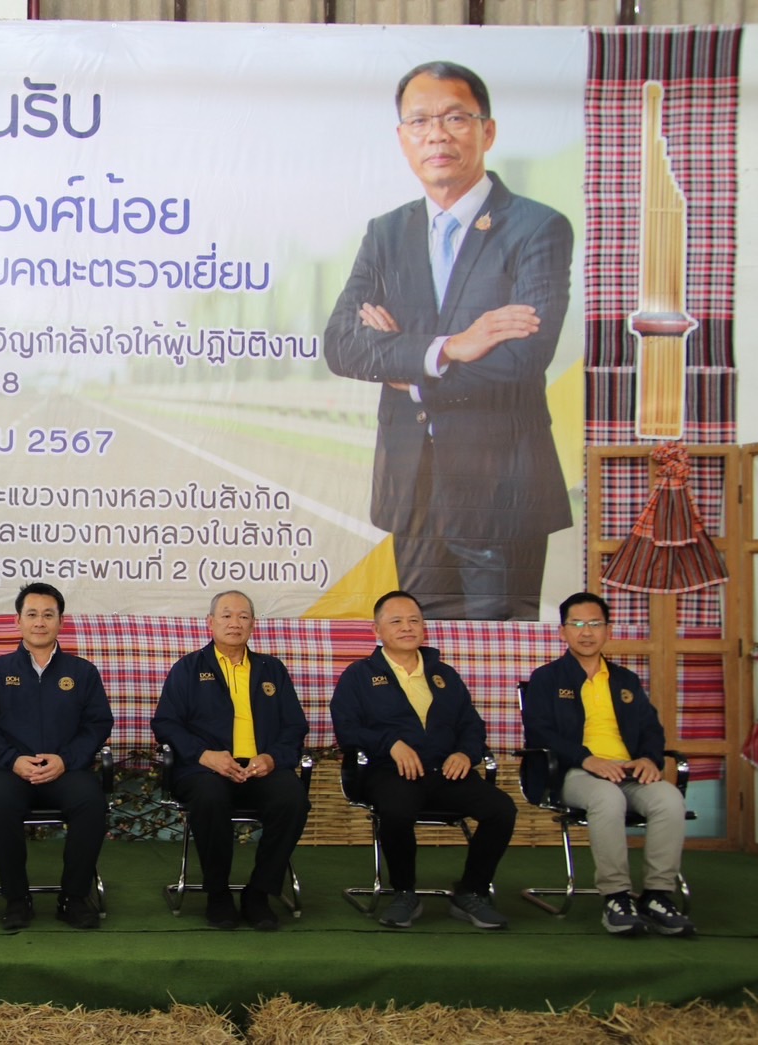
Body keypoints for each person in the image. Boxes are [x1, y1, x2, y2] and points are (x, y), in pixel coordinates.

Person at [323, 60, 573, 621]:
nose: (436, 134)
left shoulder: (536, 227)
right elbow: (342, 345)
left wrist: (408, 367)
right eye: (420, 121)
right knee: (421, 654)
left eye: (455, 118)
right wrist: (450, 349)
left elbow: (522, 358)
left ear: (488, 130)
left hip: (501, 494)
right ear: (402, 138)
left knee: (500, 657)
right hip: (412, 488)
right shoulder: (387, 233)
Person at [330, 590, 515, 929]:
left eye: (414, 620)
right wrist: (390, 744)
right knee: (397, 810)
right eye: (396, 621)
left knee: (502, 810)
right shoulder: (359, 675)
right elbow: (347, 729)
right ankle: (404, 892)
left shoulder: (444, 674)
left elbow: (471, 725)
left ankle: (471, 891)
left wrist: (465, 752)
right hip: (388, 772)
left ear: (424, 628)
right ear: (377, 630)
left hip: (446, 771)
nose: (407, 627)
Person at [522, 591, 695, 937]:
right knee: (607, 797)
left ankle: (657, 895)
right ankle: (617, 897)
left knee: (669, 799)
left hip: (628, 771)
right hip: (574, 773)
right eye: (577, 624)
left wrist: (649, 759)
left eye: (595, 624)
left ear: (608, 630)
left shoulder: (625, 680)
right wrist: (588, 759)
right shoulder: (547, 678)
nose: (586, 632)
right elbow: (539, 732)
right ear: (563, 631)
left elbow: (651, 728)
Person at [151, 590, 310, 930]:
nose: (234, 623)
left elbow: (295, 727)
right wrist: (204, 755)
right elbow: (165, 723)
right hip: (205, 769)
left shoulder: (272, 669)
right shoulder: (188, 668)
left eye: (243, 616)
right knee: (210, 796)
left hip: (261, 767)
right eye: (226, 616)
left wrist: (272, 758)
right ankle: (218, 893)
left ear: (253, 624)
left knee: (293, 799)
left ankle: (259, 893)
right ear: (210, 623)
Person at [0, 582, 113, 930]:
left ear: (61, 622)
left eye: (48, 615)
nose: (40, 622)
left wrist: (66, 760)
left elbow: (97, 724)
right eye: (31, 614)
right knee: (1, 802)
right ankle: (17, 899)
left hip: (66, 770)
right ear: (17, 621)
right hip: (10, 770)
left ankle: (73, 898)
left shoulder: (82, 672)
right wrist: (12, 760)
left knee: (91, 802)